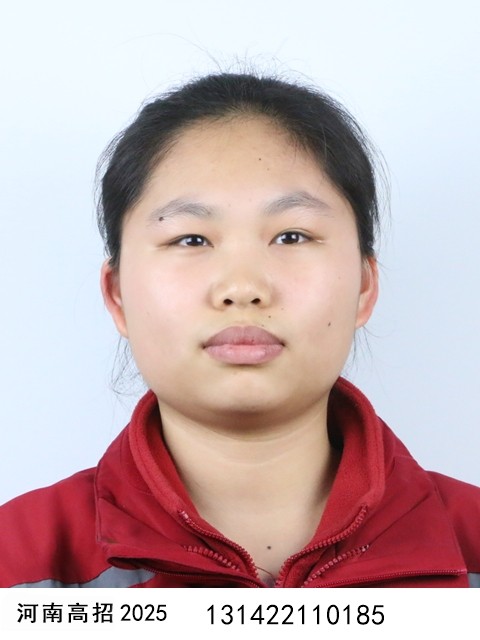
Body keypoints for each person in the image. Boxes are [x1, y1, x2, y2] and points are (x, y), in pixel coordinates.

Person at [1, 72, 479, 588]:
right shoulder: (20, 565)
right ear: (117, 295)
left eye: (292, 236)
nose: (243, 288)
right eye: (191, 239)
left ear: (364, 286)